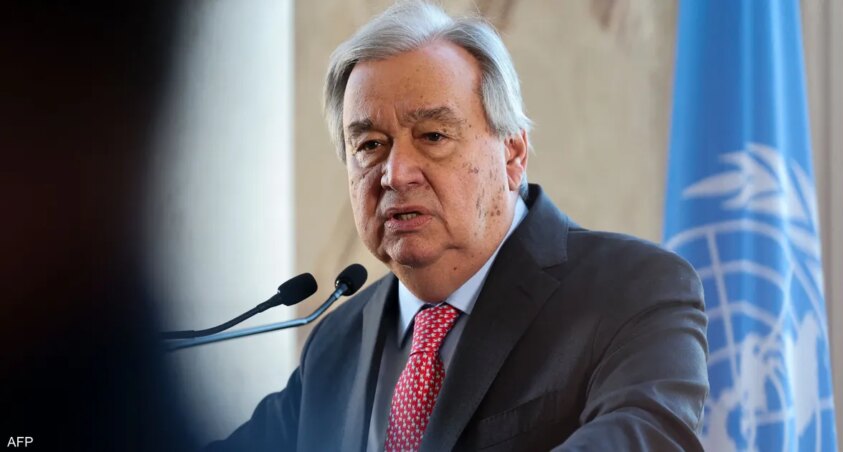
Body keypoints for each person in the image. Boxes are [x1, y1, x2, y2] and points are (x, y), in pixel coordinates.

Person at [208, 2, 708, 450]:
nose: (396, 173)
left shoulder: (632, 289)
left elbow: (646, 438)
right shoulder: (337, 341)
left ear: (512, 154)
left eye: (432, 135)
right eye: (370, 145)